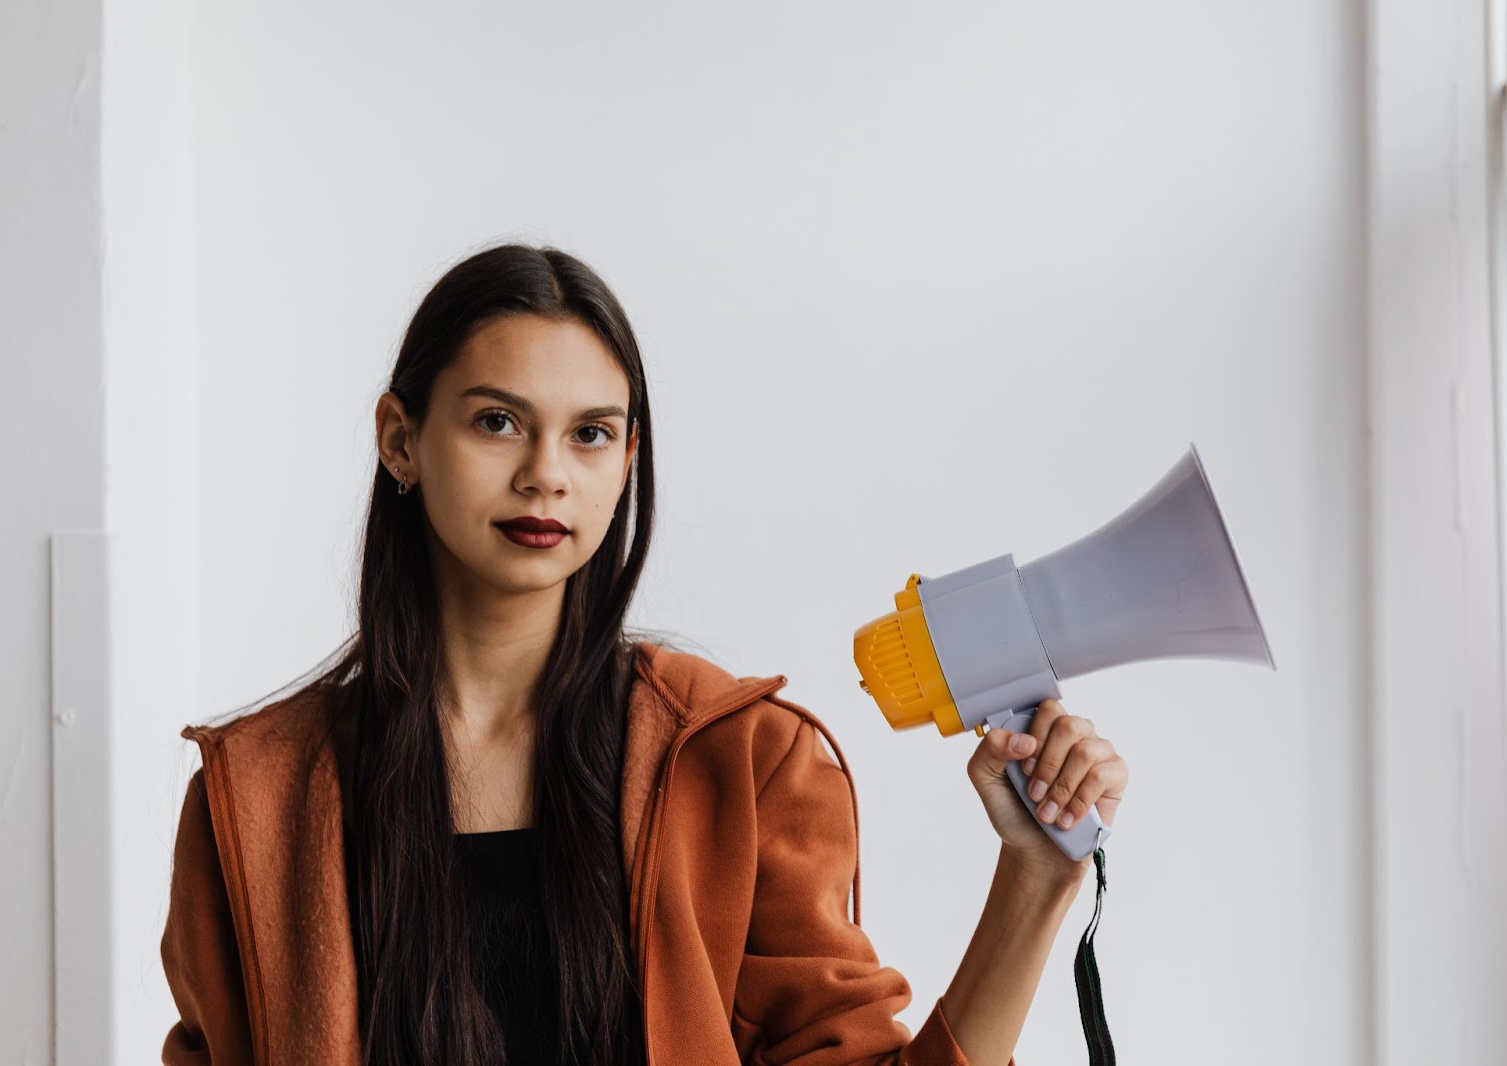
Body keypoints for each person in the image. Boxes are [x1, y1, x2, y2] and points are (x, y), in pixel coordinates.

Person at [158, 243, 1129, 1066]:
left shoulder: (739, 760)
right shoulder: (259, 796)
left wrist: (1035, 881)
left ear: (625, 464)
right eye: (497, 421)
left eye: (590, 434)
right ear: (400, 439)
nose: (545, 472)